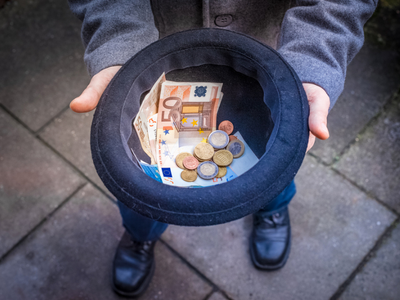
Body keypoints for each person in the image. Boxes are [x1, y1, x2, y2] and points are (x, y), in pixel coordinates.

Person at [68, 0, 377, 297]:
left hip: (267, 62)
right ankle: (141, 233)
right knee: (137, 182)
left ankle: (271, 208)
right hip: (154, 63)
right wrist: (120, 43)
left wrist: (314, 59)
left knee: (275, 160)